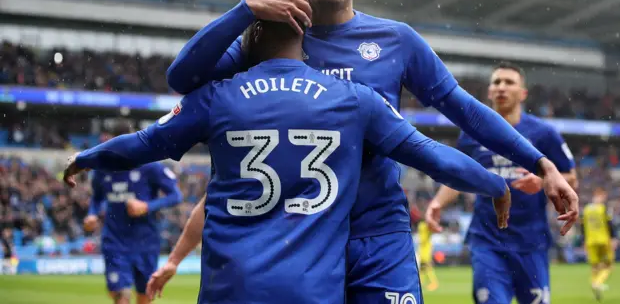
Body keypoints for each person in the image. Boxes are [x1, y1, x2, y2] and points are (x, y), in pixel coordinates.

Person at [160, 0, 579, 304]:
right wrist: (245, 10)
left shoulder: (394, 40)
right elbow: (182, 77)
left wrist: (542, 165)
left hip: (379, 235)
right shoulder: (266, 39)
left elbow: (466, 110)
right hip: (298, 241)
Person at [64, 17, 512, 304]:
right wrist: (496, 185)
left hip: (230, 288)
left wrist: (88, 157)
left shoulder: (216, 97)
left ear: (253, 36)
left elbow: (143, 144)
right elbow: (433, 157)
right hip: (311, 288)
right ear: (304, 42)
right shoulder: (355, 100)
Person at [426, 62, 578, 304]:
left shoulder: (545, 134)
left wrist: (541, 181)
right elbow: (459, 177)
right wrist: (437, 203)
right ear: (489, 91)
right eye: (496, 82)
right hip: (487, 241)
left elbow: (570, 177)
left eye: (509, 82)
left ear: (523, 93)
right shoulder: (471, 134)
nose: (501, 87)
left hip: (531, 242)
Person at [83, 124, 183, 304]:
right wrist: (92, 214)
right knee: (120, 295)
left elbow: (176, 196)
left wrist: (147, 206)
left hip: (145, 242)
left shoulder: (150, 167)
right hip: (114, 241)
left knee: (144, 297)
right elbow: (97, 198)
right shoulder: (102, 169)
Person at [583, 187, 617, 301]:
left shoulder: (586, 209)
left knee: (595, 266)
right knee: (609, 265)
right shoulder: (604, 208)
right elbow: (610, 224)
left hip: (590, 241)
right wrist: (613, 238)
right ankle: (597, 283)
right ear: (601, 195)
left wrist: (584, 241)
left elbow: (582, 227)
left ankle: (594, 283)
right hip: (603, 240)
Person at [417, 218, 438, 291]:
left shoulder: (423, 226)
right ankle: (421, 282)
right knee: (422, 267)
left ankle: (434, 283)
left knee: (427, 266)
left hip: (425, 249)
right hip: (423, 248)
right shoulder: (423, 225)